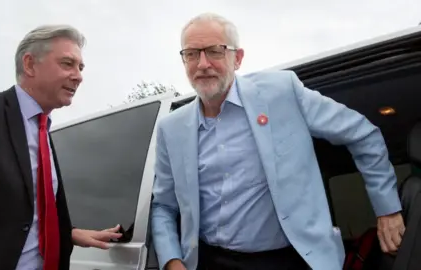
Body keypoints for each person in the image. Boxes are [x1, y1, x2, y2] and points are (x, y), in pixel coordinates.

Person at [150, 13, 406, 270]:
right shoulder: (171, 129)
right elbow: (163, 206)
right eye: (192, 54)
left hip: (290, 259)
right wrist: (172, 261)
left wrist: (388, 210)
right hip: (210, 261)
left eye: (215, 51)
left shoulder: (282, 92)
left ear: (237, 58)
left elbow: (363, 134)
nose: (203, 64)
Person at [0, 25, 122, 270]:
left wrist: (68, 232)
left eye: (80, 67)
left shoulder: (44, 132)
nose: (78, 75)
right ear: (29, 64)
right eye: (67, 64)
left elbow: (25, 209)